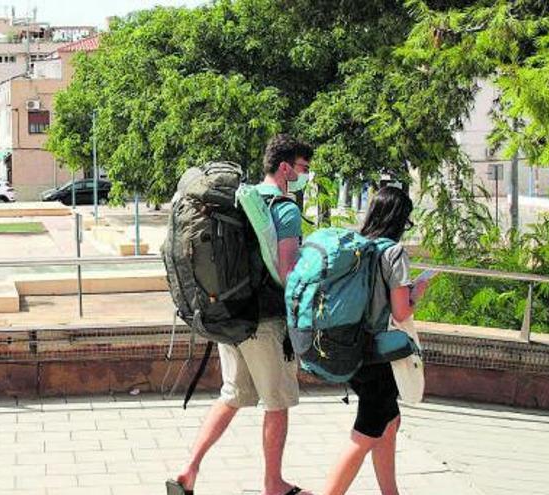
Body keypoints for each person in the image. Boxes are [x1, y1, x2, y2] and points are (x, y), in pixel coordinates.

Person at [169, 134, 314, 495]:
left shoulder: (241, 199)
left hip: (230, 313)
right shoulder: (284, 207)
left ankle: (188, 470)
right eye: (303, 169)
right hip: (264, 321)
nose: (305, 175)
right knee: (277, 402)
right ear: (285, 168)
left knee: (233, 394)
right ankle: (273, 484)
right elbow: (286, 271)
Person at [322, 186, 429, 495]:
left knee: (389, 421)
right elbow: (400, 310)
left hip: (350, 346)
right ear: (400, 219)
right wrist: (416, 293)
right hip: (378, 356)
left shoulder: (357, 246)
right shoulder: (393, 253)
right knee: (366, 434)